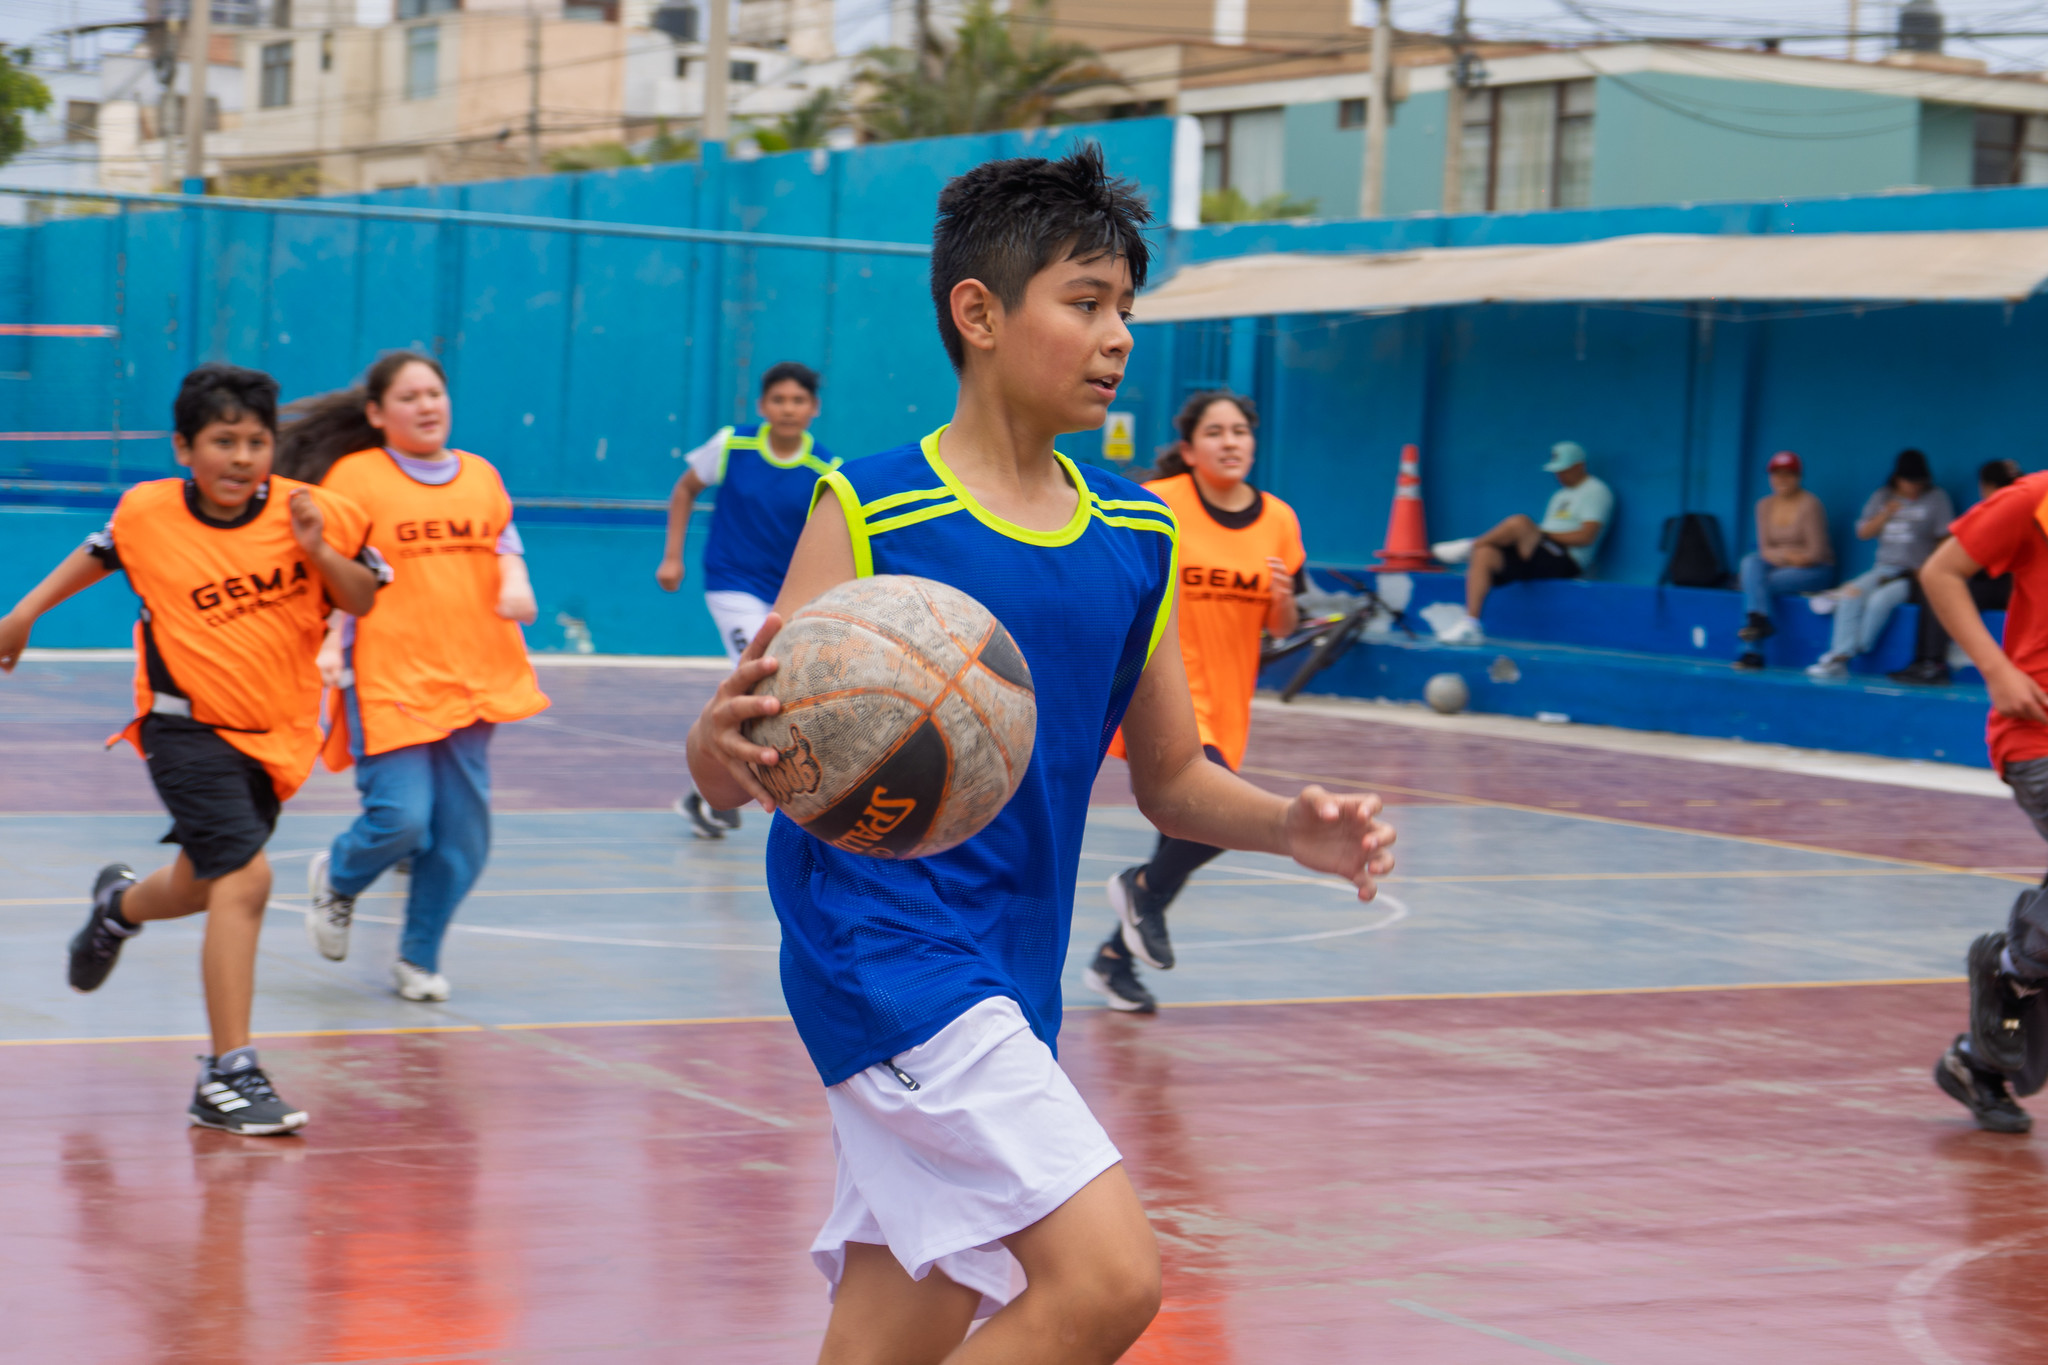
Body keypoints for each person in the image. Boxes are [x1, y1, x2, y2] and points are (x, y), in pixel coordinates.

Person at [685, 146, 1396, 1363]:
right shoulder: (870, 509)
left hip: (1012, 963)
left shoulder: (1133, 529)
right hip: (883, 953)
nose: (1118, 337)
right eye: (1084, 303)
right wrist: (711, 744)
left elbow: (1167, 777)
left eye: (1125, 306)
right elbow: (748, 769)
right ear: (977, 313)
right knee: (1110, 1279)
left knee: (896, 1327)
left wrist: (1290, 828)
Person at [0, 364, 385, 1134]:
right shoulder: (148, 513)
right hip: (184, 728)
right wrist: (24, 613)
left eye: (255, 441)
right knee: (245, 879)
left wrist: (317, 552)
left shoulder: (321, 514)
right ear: (184, 447)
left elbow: (362, 597)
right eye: (222, 441)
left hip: (275, 735)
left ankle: (118, 907)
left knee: (204, 882)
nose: (241, 457)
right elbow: (101, 551)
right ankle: (227, 1073)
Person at [278, 351, 550, 1004]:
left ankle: (417, 954)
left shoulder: (481, 474)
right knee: (401, 818)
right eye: (409, 396)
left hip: (473, 676)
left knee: (459, 835)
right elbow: (324, 561)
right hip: (386, 674)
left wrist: (517, 580)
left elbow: (503, 540)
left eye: (435, 392)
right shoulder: (355, 477)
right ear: (376, 413)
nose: (427, 405)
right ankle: (338, 878)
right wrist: (321, 646)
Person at [1082, 390, 1306, 1014]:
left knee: (1187, 827)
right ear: (1189, 449)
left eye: (1240, 431)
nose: (1230, 442)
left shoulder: (1278, 520)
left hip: (1230, 697)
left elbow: (1281, 627)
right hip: (1165, 687)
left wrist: (1285, 598)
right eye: (1215, 432)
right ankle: (1138, 890)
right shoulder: (1162, 504)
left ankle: (1114, 958)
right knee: (1214, 810)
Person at [1914, 465, 2048, 1133]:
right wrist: (1997, 669)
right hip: (2038, 731)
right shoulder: (2035, 497)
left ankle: (1978, 1058)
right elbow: (1940, 571)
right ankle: (2009, 964)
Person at [656, 361, 839, 839]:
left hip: (786, 592)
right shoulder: (733, 444)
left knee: (786, 689)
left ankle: (705, 796)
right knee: (759, 684)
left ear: (813, 409)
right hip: (732, 583)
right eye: (778, 400)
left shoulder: (826, 468)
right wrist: (672, 557)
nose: (788, 408)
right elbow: (684, 491)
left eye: (798, 400)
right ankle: (714, 790)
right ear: (762, 407)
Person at [1431, 440, 1613, 644]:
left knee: (1520, 522)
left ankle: (1468, 546)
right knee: (1485, 553)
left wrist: (1539, 533)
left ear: (1579, 466)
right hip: (1540, 555)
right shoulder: (1560, 495)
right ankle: (1471, 624)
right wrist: (1538, 534)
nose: (1558, 475)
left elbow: (1586, 537)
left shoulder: (1596, 491)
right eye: (1556, 471)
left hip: (1566, 560)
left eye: (1564, 470)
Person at [1805, 448, 1953, 680]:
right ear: (1897, 478)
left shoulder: (1936, 497)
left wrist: (1932, 568)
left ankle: (1850, 650)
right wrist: (1885, 514)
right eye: (1909, 481)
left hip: (1913, 574)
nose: (1914, 487)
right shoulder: (1883, 496)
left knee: (1879, 602)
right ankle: (1839, 657)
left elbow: (1947, 538)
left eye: (1919, 482)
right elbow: (1863, 532)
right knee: (1851, 595)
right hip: (1884, 568)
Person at [1891, 458, 2022, 686]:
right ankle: (1925, 661)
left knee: (1939, 590)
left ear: (1987, 486)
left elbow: (1979, 560)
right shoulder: (2028, 503)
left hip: (2005, 586)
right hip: (2010, 585)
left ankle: (1932, 664)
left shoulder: (2000, 508)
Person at [1734, 451, 1833, 672]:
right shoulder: (1763, 505)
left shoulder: (1810, 504)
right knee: (1750, 562)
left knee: (1756, 586)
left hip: (1815, 571)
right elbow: (1764, 548)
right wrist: (1787, 557)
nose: (1782, 480)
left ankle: (1752, 652)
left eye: (1788, 474)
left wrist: (1783, 557)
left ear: (1798, 476)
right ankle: (1758, 620)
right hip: (1779, 566)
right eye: (1777, 474)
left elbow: (1815, 554)